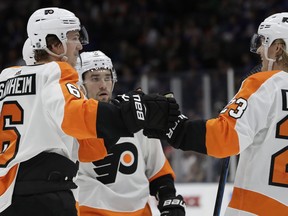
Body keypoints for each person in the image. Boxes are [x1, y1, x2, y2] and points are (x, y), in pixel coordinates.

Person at [0, 7, 180, 215]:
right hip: (45, 197)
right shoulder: (57, 71)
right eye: (74, 38)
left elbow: (87, 150)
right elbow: (76, 115)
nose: (79, 45)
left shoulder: (6, 78)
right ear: (54, 43)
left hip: (8, 196)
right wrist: (131, 112)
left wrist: (116, 123)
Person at [144, 12, 288, 215]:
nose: (258, 49)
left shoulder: (266, 84)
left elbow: (224, 138)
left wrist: (176, 128)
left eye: (264, 42)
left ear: (278, 48)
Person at [75, 51, 186, 216]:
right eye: (95, 78)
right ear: (79, 83)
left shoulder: (135, 118)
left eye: (107, 77)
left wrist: (167, 198)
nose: (103, 85)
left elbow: (157, 170)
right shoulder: (71, 123)